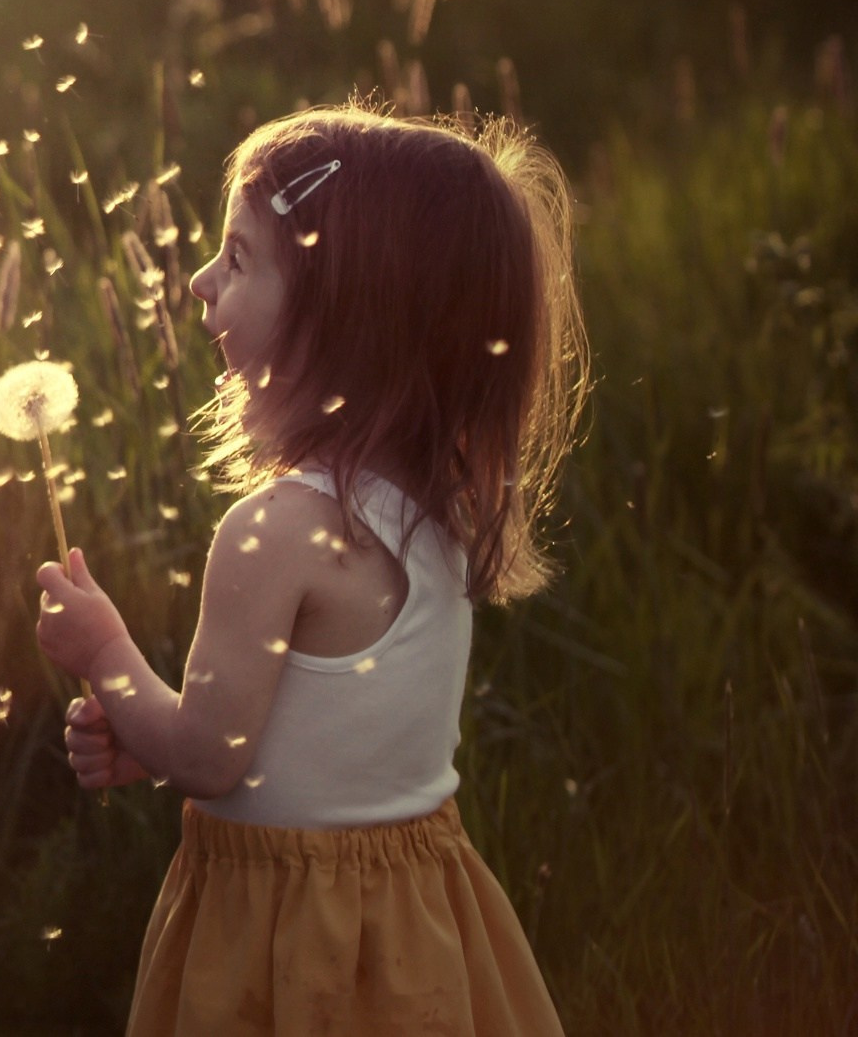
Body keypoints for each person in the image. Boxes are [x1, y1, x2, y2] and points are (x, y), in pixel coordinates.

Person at [34, 105, 588, 1036]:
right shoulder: (440, 511)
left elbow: (210, 756)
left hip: (291, 932)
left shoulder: (276, 530)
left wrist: (105, 653)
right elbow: (321, 739)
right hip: (417, 920)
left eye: (240, 258)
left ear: (344, 317)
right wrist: (147, 730)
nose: (201, 282)